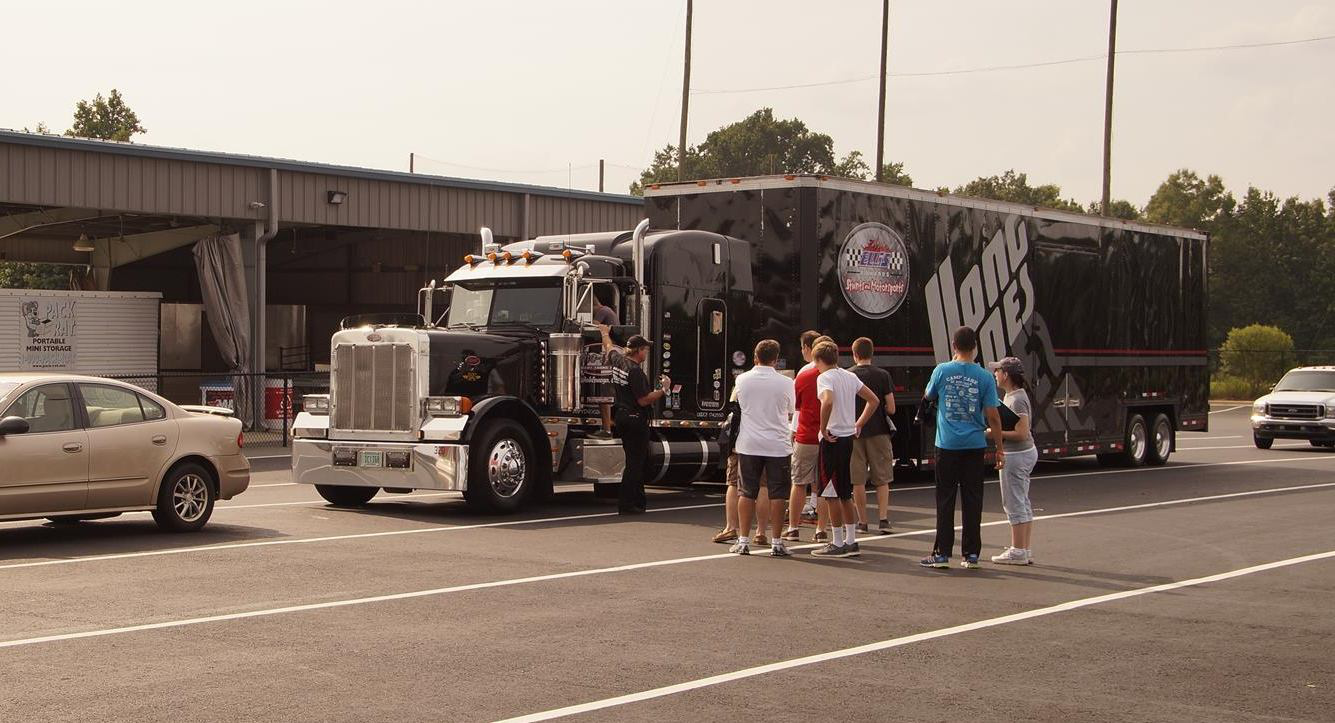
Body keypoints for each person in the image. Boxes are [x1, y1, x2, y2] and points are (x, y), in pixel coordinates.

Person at [919, 326, 1005, 569]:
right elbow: (993, 416)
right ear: (975, 347)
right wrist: (999, 448)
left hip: (947, 444)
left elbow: (928, 395)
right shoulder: (985, 377)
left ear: (954, 346)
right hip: (975, 444)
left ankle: (942, 553)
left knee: (945, 499)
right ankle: (971, 554)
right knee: (973, 499)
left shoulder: (942, 370)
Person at [810, 341, 880, 558]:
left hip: (832, 438)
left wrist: (822, 428)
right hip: (848, 437)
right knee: (844, 492)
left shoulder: (824, 377)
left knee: (831, 493)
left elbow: (828, 401)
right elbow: (873, 400)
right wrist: (858, 423)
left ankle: (838, 541)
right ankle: (850, 540)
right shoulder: (849, 376)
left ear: (818, 360)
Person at [730, 339, 795, 556]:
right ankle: (776, 542)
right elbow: (791, 409)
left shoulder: (742, 379)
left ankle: (743, 540)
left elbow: (737, 405)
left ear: (755, 357)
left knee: (746, 492)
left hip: (749, 443)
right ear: (776, 359)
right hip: (777, 444)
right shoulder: (786, 382)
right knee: (778, 494)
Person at [598, 325, 670, 514]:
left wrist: (604, 333)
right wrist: (664, 389)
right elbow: (644, 400)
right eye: (645, 349)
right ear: (638, 351)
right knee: (635, 464)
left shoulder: (618, 361)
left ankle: (639, 502)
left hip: (621, 417)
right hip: (635, 419)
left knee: (634, 461)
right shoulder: (635, 371)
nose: (647, 352)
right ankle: (627, 504)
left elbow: (609, 347)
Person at [989, 356, 1038, 565]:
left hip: (1017, 455)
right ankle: (1024, 549)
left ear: (1006, 374)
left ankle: (1018, 551)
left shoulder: (1016, 399)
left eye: (998, 371)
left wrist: (994, 432)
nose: (995, 374)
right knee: (1022, 501)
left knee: (1014, 502)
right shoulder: (1013, 396)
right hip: (1021, 454)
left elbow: (1022, 433)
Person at [849, 337, 896, 535]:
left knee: (857, 480)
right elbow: (891, 408)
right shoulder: (883, 375)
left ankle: (862, 522)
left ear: (854, 354)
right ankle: (883, 520)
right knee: (882, 477)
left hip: (854, 433)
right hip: (879, 432)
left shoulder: (848, 375)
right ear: (872, 353)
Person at [783, 331, 827, 543]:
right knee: (826, 485)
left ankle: (793, 528)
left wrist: (793, 431)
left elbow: (796, 408)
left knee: (799, 483)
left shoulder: (804, 375)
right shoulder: (844, 377)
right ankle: (821, 530)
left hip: (806, 435)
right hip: (830, 437)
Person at [591, 291, 619, 438]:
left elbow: (593, 326)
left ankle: (607, 429)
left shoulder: (603, 311)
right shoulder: (608, 311)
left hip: (609, 354)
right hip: (611, 353)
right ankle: (609, 425)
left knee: (604, 393)